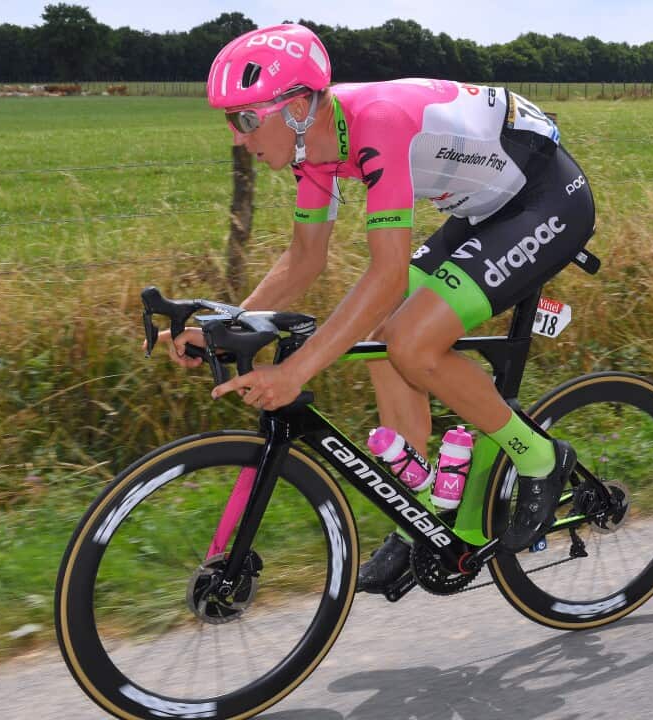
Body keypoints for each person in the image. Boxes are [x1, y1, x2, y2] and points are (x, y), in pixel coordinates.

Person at [159, 24, 596, 593]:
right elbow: (304, 259)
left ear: (293, 108)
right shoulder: (311, 148)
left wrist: (295, 371)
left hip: (544, 198)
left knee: (410, 341)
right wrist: (230, 326)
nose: (239, 137)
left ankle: (539, 458)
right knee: (379, 347)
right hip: (484, 208)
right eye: (230, 121)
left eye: (244, 119)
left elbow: (387, 276)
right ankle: (418, 517)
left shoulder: (377, 124)